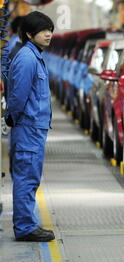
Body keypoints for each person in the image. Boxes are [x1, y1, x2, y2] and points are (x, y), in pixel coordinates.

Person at [5, 11, 55, 242]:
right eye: (43, 30)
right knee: (27, 176)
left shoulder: (34, 56)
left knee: (30, 176)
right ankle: (25, 227)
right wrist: (14, 119)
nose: (48, 34)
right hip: (28, 127)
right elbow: (18, 96)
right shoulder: (27, 58)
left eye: (50, 30)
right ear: (28, 33)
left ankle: (27, 223)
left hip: (33, 128)